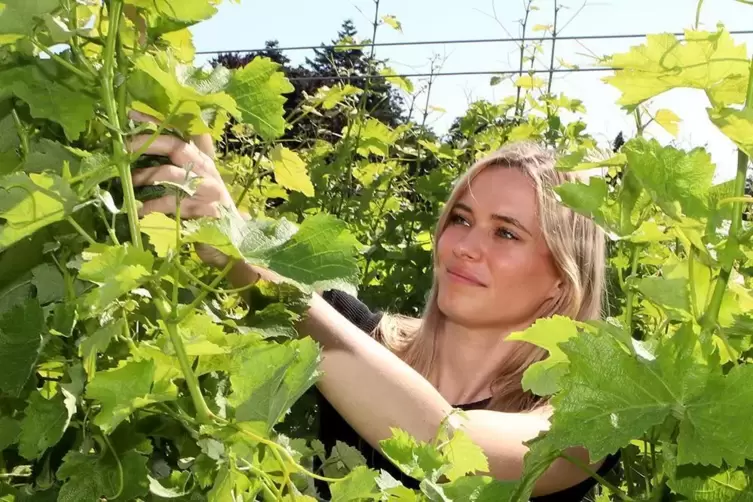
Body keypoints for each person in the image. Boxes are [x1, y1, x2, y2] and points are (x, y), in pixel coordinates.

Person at [128, 131, 620, 500]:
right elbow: (234, 284)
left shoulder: (591, 415)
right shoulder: (358, 332)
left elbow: (450, 444)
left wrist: (251, 266)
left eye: (506, 233)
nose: (466, 247)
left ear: (562, 274)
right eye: (461, 219)